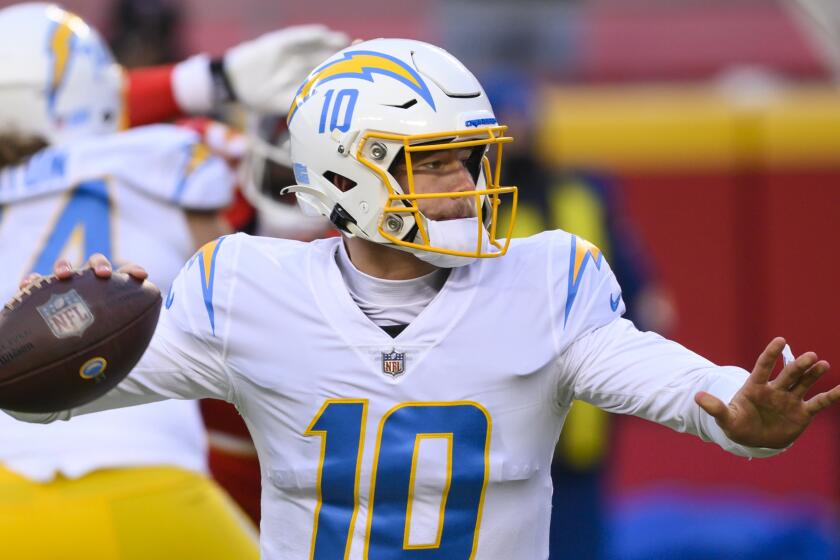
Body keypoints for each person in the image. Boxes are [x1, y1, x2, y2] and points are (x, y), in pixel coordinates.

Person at [8, 38, 838, 560]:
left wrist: (735, 407)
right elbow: (50, 398)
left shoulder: (547, 278)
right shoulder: (247, 287)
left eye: (473, 160)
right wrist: (39, 341)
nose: (468, 186)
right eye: (436, 161)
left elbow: (643, 365)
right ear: (345, 171)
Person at [0, 3, 346, 558]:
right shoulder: (172, 155)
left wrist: (200, 81)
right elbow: (274, 256)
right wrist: (215, 81)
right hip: (151, 471)